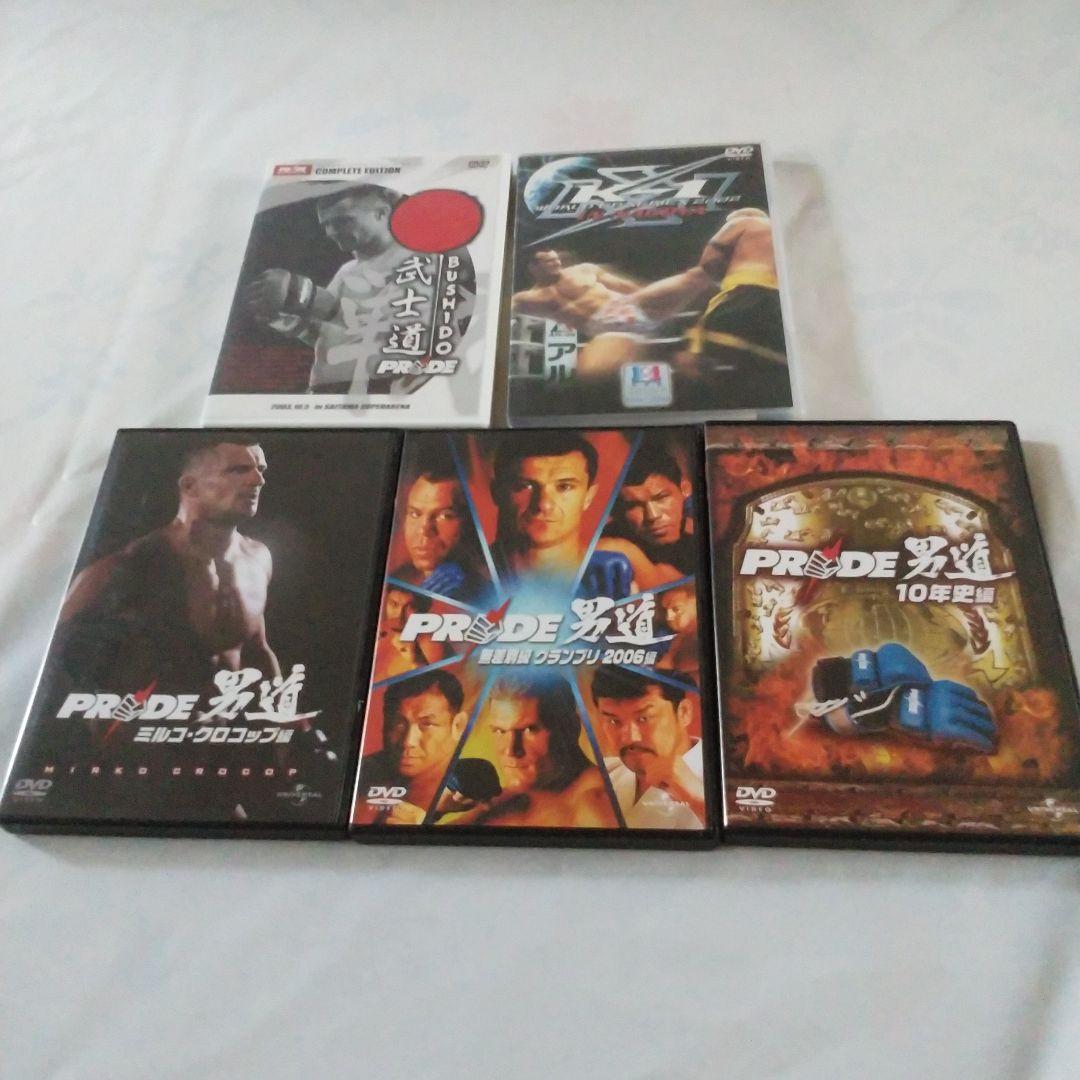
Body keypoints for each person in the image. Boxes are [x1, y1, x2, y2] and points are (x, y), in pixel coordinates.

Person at [58, 439, 278, 694]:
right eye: (238, 470)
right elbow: (51, 653)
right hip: (149, 717)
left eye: (260, 469)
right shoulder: (133, 563)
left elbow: (257, 647)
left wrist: (284, 711)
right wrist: (102, 713)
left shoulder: (258, 557)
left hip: (225, 718)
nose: (258, 480)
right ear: (190, 486)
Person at [243, 184, 418, 395]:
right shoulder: (347, 270)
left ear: (380, 214)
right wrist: (286, 319)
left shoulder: (413, 262)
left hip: (373, 392)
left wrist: (307, 296)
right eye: (326, 224)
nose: (331, 232)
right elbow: (328, 336)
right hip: (325, 391)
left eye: (342, 221)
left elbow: (400, 339)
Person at [487, 432, 670, 597]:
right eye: (524, 486)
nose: (544, 504)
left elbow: (682, 597)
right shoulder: (475, 570)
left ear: (588, 496)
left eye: (564, 486)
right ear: (496, 492)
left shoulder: (620, 555)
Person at [450, 673, 616, 829]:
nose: (510, 751)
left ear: (571, 727)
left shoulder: (596, 805)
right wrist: (440, 810)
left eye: (530, 729)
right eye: (500, 731)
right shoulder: (513, 795)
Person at [591, 666, 705, 829]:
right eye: (614, 721)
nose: (630, 738)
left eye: (643, 718)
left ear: (684, 712)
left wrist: (698, 798)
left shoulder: (727, 777)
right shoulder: (603, 775)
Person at [356, 669, 468, 825]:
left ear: (458, 725)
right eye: (399, 723)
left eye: (427, 724)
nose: (408, 741)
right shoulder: (362, 771)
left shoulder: (472, 788)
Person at [389, 466, 489, 604]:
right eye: (415, 514)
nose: (424, 529)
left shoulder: (489, 593)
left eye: (445, 516)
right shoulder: (394, 582)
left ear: (470, 521)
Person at [609, 439, 696, 579]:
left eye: (661, 498)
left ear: (685, 489)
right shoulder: (608, 545)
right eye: (633, 505)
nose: (652, 515)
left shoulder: (706, 539)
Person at [372, 587, 449, 682]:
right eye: (394, 604)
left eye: (409, 608)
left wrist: (416, 659)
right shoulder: (382, 631)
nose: (399, 614)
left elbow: (430, 684)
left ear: (421, 610)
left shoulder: (431, 646)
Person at [656, 585, 699, 678]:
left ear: (695, 604)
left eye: (676, 609)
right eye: (665, 610)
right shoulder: (669, 638)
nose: (668, 617)